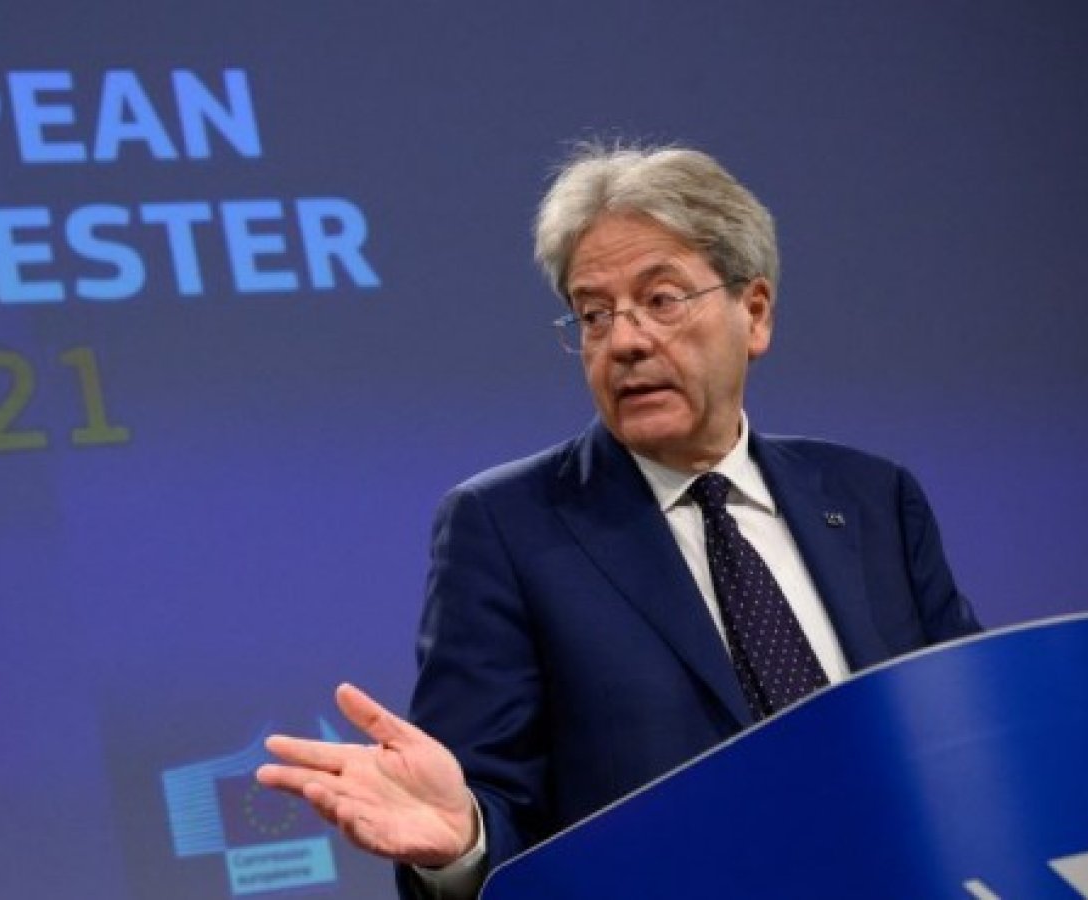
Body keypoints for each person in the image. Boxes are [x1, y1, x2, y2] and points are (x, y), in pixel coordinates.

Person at [254, 143, 981, 899]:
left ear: (755, 313)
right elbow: (492, 803)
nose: (625, 341)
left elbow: (976, 728)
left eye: (661, 299)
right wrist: (463, 841)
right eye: (593, 314)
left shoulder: (872, 499)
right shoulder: (506, 530)